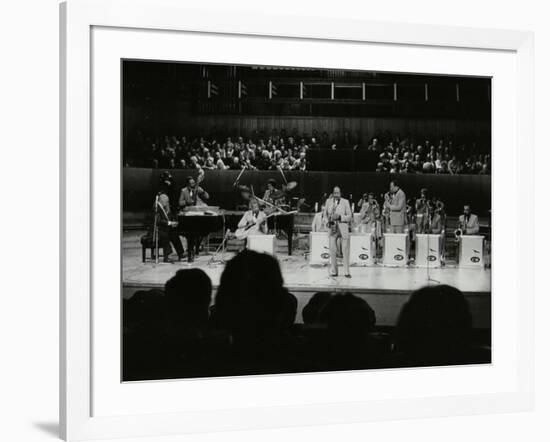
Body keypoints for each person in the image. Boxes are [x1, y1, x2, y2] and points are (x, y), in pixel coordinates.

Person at [178, 173, 210, 262]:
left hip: (198, 213)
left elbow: (207, 197)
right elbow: (180, 203)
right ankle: (191, 249)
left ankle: (195, 248)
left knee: (201, 232)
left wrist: (202, 191)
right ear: (187, 184)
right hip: (189, 213)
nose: (193, 184)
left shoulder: (197, 188)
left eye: (194, 183)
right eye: (191, 183)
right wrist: (188, 202)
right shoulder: (183, 191)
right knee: (190, 233)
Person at [324, 186, 352, 278]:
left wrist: (340, 217)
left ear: (341, 193)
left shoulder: (345, 202)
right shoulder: (328, 201)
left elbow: (349, 216)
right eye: (335, 193)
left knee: (345, 251)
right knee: (332, 250)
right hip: (332, 228)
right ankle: (334, 271)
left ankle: (346, 272)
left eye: (338, 193)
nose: (336, 195)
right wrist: (327, 222)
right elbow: (325, 215)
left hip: (343, 229)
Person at [154, 191, 184, 262]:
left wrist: (172, 222)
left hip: (163, 228)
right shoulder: (156, 208)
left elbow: (166, 218)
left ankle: (180, 253)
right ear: (162, 201)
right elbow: (158, 221)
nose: (167, 203)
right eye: (166, 202)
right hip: (157, 230)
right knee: (167, 234)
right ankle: (167, 255)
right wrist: (170, 223)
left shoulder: (162, 207)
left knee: (174, 234)